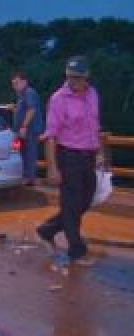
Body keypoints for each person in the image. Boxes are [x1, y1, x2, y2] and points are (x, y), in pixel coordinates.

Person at [36, 56, 102, 267]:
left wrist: (99, 154)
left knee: (86, 200)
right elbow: (51, 135)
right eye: (70, 77)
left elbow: (95, 126)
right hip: (69, 157)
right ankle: (77, 251)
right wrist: (53, 168)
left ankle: (47, 230)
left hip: (89, 156)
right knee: (71, 205)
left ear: (87, 77)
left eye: (78, 78)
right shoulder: (59, 99)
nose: (74, 82)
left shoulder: (92, 94)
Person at [11, 72, 44, 186]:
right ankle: (23, 176)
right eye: (13, 84)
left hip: (30, 130)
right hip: (20, 131)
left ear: (24, 82)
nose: (14, 86)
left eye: (17, 83)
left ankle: (30, 178)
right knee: (20, 151)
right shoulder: (21, 95)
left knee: (30, 153)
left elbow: (31, 110)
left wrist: (24, 126)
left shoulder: (29, 92)